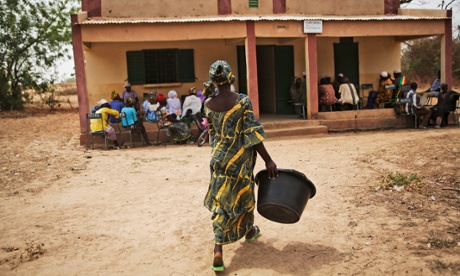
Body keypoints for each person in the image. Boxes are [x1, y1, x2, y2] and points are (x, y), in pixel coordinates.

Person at [203, 60, 278, 272]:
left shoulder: (208, 103)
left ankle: (219, 247)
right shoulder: (243, 101)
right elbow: (251, 133)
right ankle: (249, 231)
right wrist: (268, 159)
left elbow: (212, 133)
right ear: (230, 76)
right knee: (243, 194)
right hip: (240, 159)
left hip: (218, 158)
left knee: (221, 199)